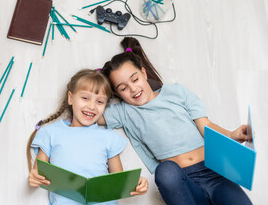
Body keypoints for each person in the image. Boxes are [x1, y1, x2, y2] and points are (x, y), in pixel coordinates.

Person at [98, 37, 252, 205]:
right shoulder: (124, 111)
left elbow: (206, 126)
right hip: (180, 179)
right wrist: (89, 90)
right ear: (116, 93)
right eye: (123, 88)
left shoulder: (176, 92)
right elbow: (92, 115)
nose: (133, 89)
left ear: (143, 73)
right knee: (165, 171)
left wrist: (231, 134)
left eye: (135, 79)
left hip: (215, 172)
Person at [27, 69, 148, 205]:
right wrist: (34, 177)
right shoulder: (50, 133)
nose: (92, 107)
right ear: (71, 98)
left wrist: (137, 184)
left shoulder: (108, 137)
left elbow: (119, 181)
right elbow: (38, 172)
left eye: (100, 102)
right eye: (85, 98)